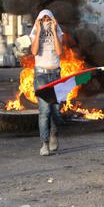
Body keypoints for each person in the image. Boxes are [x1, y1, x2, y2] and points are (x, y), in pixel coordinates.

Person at [30, 9, 64, 156]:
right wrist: (38, 31)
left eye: (48, 19)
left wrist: (55, 30)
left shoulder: (58, 32)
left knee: (56, 111)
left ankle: (54, 134)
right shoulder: (34, 32)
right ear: (39, 21)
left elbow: (59, 51)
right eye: (43, 19)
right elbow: (34, 51)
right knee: (44, 111)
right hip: (41, 76)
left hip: (56, 74)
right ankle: (44, 143)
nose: (45, 22)